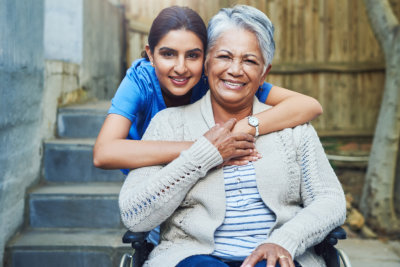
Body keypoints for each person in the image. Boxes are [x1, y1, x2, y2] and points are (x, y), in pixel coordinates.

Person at [118, 5, 346, 267]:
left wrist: (285, 240)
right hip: (191, 257)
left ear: (264, 73)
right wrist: (203, 155)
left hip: (277, 257)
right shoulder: (168, 124)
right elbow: (134, 214)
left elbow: (331, 200)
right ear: (206, 63)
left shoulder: (293, 129)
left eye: (249, 60)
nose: (235, 70)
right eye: (224, 57)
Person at [93, 6, 323, 174]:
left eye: (192, 55)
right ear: (150, 54)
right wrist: (205, 148)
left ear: (206, 59)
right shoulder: (140, 80)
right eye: (168, 54)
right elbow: (104, 153)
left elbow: (309, 105)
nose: (181, 68)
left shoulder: (217, 80)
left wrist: (243, 128)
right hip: (152, 174)